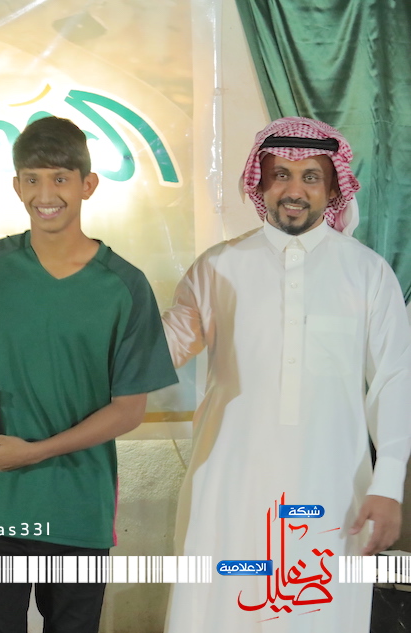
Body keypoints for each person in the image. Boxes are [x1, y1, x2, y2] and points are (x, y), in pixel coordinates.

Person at [163, 117, 411, 632]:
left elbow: (394, 380)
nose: (294, 190)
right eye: (281, 175)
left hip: (332, 487)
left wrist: (388, 483)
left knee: (319, 615)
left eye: (310, 177)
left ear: (333, 188)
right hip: (230, 482)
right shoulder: (218, 266)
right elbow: (156, 352)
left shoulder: (367, 273)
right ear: (260, 183)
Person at [0, 116, 178, 633]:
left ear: (87, 185)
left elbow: (128, 410)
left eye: (59, 178)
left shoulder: (124, 285)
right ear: (16, 186)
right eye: (32, 179)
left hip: (77, 504)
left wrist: (34, 452)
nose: (45, 194)